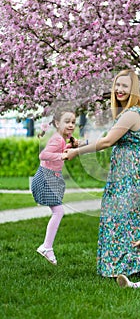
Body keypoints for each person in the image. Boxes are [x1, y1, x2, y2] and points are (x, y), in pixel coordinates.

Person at [63, 69, 140, 277]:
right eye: (117, 85)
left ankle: (130, 264)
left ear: (133, 89)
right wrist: (81, 143)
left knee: (128, 217)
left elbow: (107, 142)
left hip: (132, 174)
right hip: (125, 171)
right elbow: (110, 138)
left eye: (125, 86)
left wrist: (76, 152)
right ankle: (128, 263)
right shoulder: (126, 113)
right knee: (127, 217)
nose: (119, 89)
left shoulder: (132, 113)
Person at [31, 107, 80, 265]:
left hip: (50, 177)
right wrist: (62, 154)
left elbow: (58, 155)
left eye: (73, 122)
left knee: (58, 212)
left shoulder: (61, 139)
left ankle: (47, 246)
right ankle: (46, 247)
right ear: (57, 123)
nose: (71, 125)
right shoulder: (57, 138)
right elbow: (43, 155)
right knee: (58, 212)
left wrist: (69, 149)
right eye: (67, 122)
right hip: (46, 177)